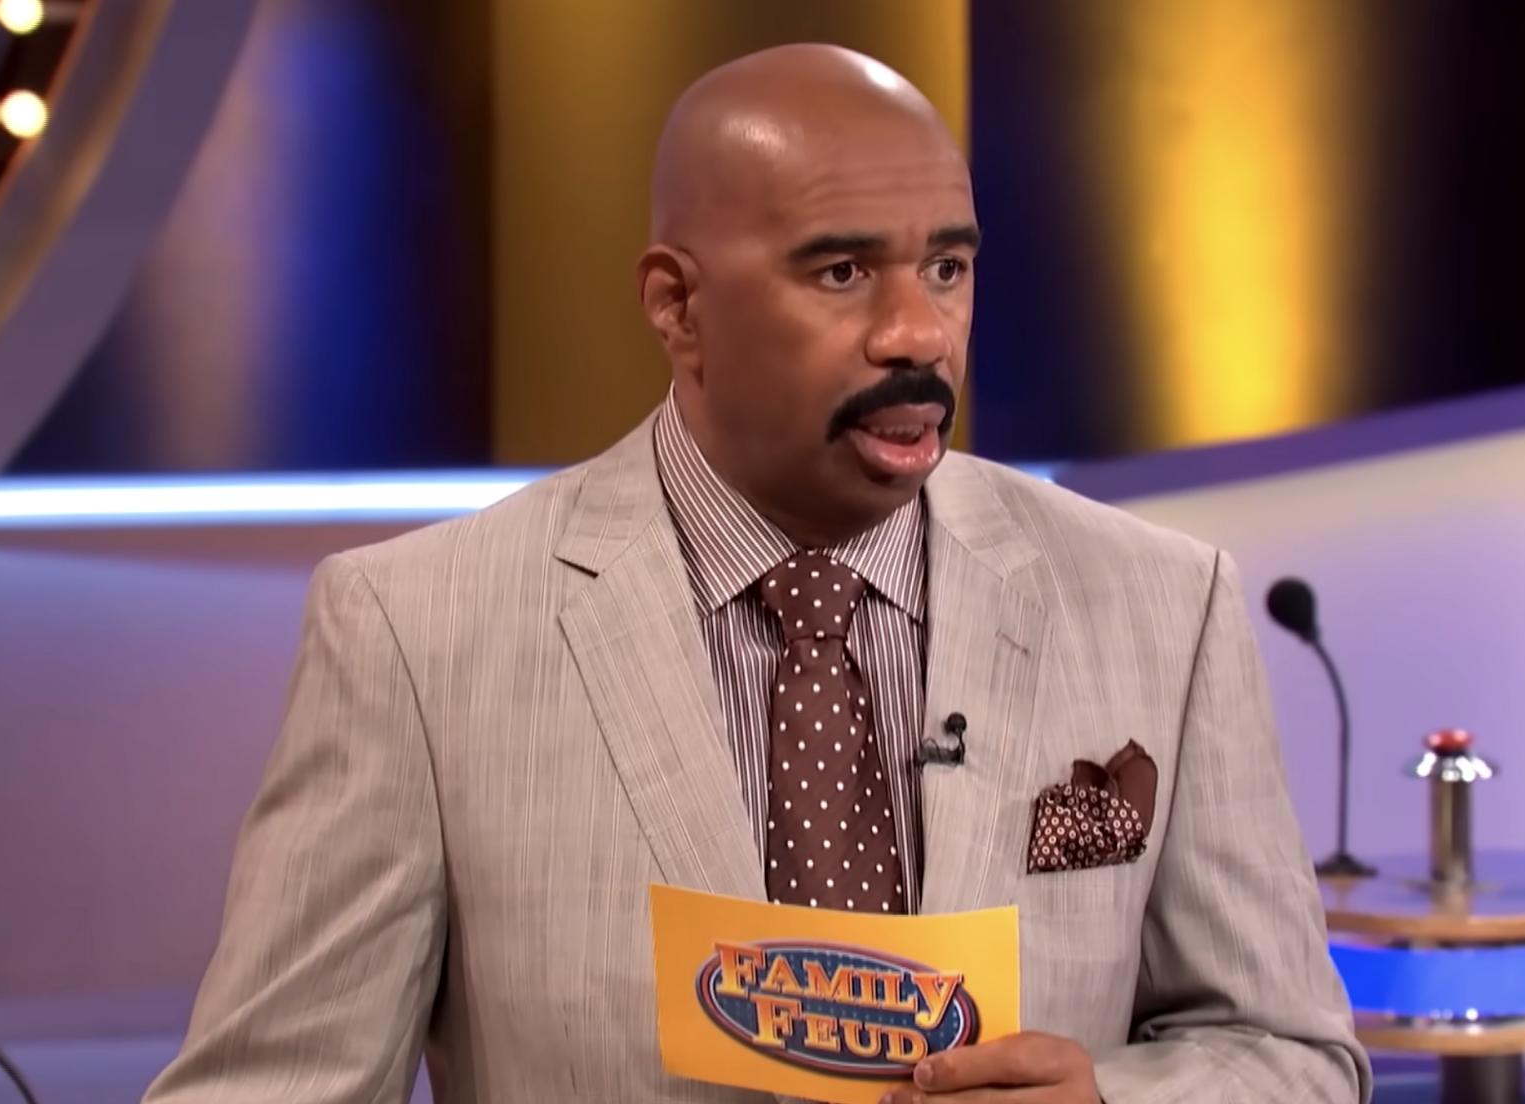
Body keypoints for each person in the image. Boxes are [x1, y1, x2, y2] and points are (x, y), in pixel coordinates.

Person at [142, 43, 1370, 1104]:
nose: (918, 333)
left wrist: (1110, 1094)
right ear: (678, 306)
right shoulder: (416, 629)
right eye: (842, 273)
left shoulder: (1164, 602)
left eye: (948, 267)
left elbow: (1293, 1054)